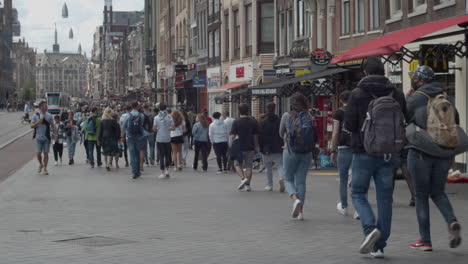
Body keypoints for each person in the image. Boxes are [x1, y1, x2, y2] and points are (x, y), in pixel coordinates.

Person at [344, 57, 408, 258]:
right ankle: (379, 246)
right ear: (383, 71)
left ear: (365, 72)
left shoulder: (357, 93)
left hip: (363, 152)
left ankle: (369, 228)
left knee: (358, 193)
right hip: (389, 153)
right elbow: (405, 118)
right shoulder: (396, 92)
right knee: (385, 199)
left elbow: (351, 125)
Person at [406, 65, 462, 251]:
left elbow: (404, 118)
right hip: (443, 152)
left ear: (420, 80)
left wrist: (408, 98)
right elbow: (455, 123)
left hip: (421, 151)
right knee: (438, 192)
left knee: (421, 196)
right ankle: (451, 221)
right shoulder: (447, 97)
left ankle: (425, 240)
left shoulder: (416, 98)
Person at [279, 93, 315, 220]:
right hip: (307, 152)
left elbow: (280, 133)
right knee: (301, 181)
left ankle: (295, 200)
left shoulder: (287, 115)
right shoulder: (310, 116)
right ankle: (301, 212)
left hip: (291, 150)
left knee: (287, 178)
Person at [331, 91, 355, 216]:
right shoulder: (358, 110)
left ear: (341, 100)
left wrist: (333, 150)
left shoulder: (339, 112)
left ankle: (344, 206)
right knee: (357, 178)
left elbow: (335, 133)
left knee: (343, 179)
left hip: (343, 148)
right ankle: (358, 210)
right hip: (357, 149)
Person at [230, 103, 259, 192]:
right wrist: (256, 146)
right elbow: (255, 135)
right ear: (248, 110)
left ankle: (243, 179)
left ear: (239, 111)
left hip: (239, 146)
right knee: (249, 166)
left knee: (237, 164)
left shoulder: (236, 121)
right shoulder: (253, 121)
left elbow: (232, 136)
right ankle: (248, 186)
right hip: (250, 146)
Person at [259, 103, 285, 192]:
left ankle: (269, 185)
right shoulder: (280, 120)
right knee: (280, 165)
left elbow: (260, 136)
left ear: (266, 109)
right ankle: (282, 178)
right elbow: (283, 133)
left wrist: (260, 148)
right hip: (278, 147)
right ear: (275, 109)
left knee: (268, 167)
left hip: (266, 148)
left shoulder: (263, 122)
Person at [121, 102, 145, 179]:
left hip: (130, 136)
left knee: (131, 153)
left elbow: (123, 127)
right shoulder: (141, 115)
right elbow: (141, 125)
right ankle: (138, 171)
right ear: (137, 106)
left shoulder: (128, 115)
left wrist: (122, 136)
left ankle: (134, 171)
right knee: (138, 153)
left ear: (131, 106)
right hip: (139, 136)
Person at [31, 101, 54, 175]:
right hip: (38, 137)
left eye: (46, 106)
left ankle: (45, 169)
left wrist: (56, 134)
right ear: (40, 107)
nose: (46, 107)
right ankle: (41, 164)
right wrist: (39, 121)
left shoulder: (49, 115)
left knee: (46, 154)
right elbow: (32, 126)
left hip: (47, 138)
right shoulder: (35, 115)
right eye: (45, 106)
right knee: (38, 154)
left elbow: (52, 125)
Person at [153, 103, 174, 179]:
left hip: (159, 138)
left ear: (159, 108)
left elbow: (154, 129)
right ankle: (167, 170)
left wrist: (158, 129)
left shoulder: (156, 118)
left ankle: (162, 172)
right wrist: (168, 129)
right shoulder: (169, 117)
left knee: (161, 155)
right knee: (167, 155)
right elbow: (173, 128)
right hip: (167, 138)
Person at [99, 107, 121, 171]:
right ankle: (116, 164)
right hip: (112, 138)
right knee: (115, 151)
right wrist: (119, 137)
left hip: (104, 137)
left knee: (105, 152)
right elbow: (118, 130)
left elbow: (100, 131)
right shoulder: (113, 121)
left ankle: (107, 164)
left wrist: (99, 139)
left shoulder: (102, 121)